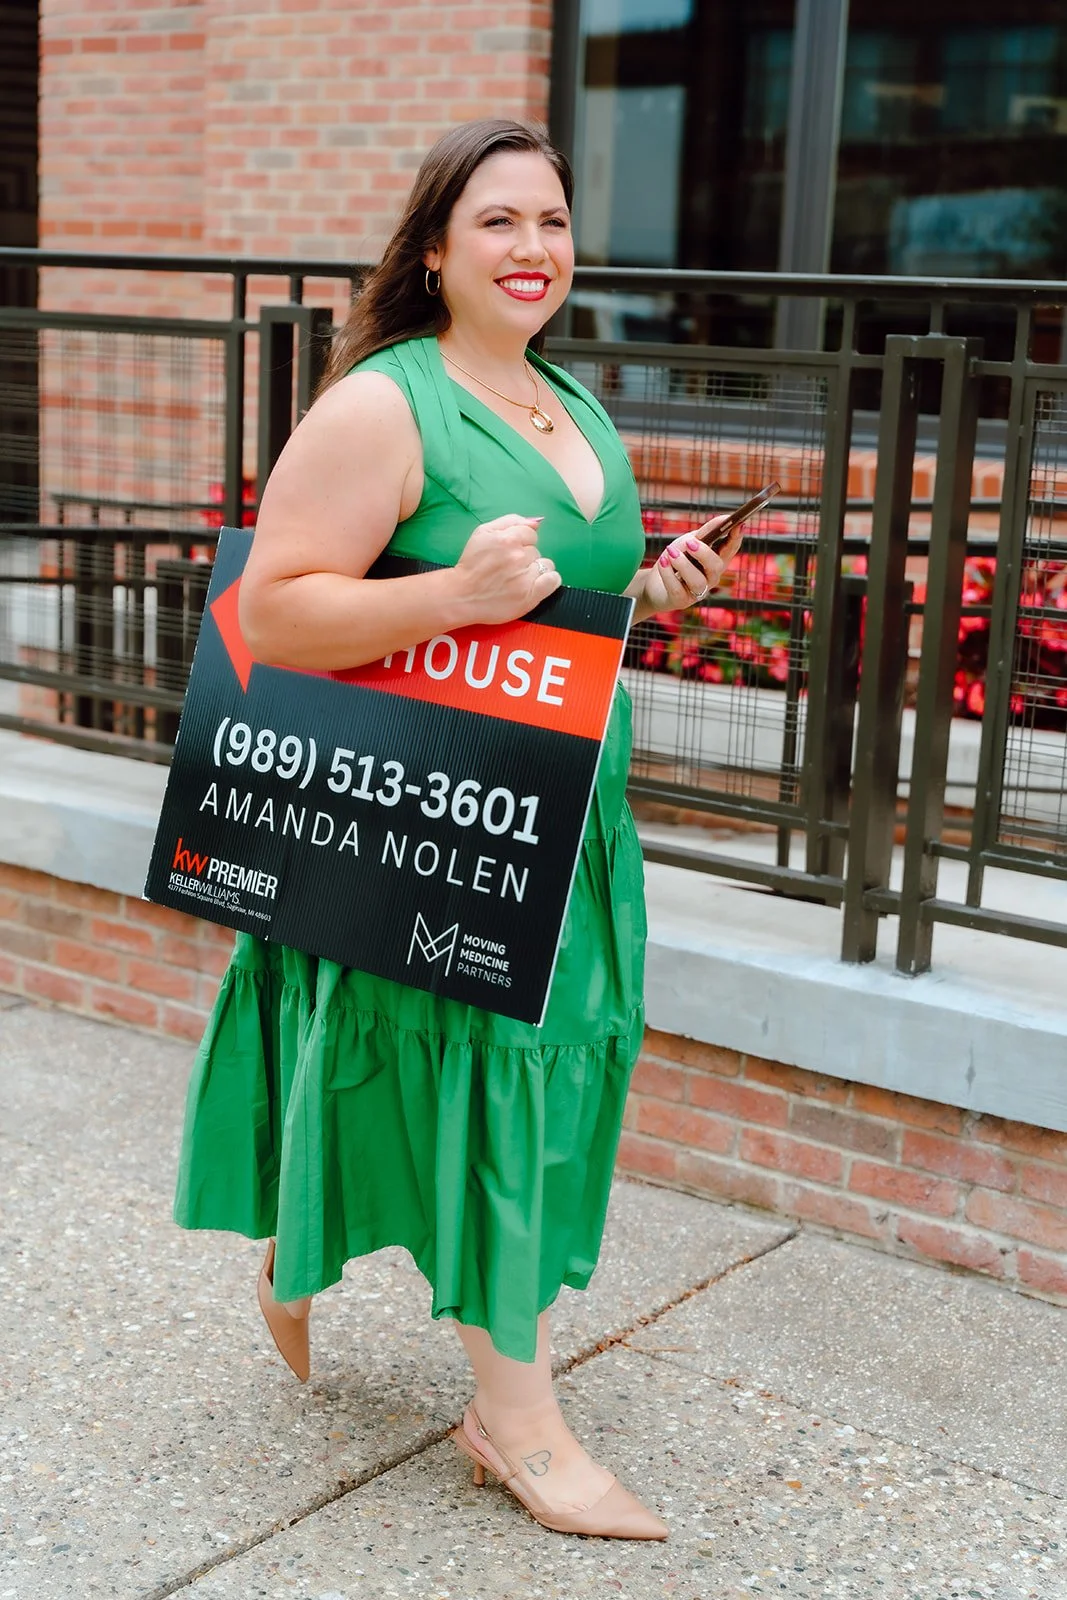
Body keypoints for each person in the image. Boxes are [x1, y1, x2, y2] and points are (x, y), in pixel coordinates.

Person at [174, 117, 742, 1541]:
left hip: (564, 817)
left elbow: (559, 602)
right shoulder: (386, 405)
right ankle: (514, 1418)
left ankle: (302, 1250)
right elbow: (272, 615)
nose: (533, 249)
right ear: (434, 248)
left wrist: (644, 599)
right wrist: (447, 602)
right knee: (495, 1087)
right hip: (432, 829)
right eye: (497, 222)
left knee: (538, 1083)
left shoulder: (566, 401)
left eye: (550, 222)